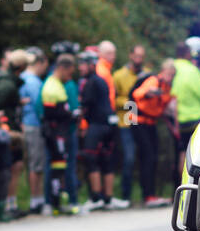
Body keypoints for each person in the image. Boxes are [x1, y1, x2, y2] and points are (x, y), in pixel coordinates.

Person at [77, 50, 127, 210]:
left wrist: (79, 122)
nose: (80, 68)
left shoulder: (90, 82)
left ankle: (96, 197)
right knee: (107, 160)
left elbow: (85, 106)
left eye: (83, 65)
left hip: (97, 125)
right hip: (109, 124)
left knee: (91, 159)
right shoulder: (101, 80)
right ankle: (108, 198)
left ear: (91, 65)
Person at [132, 59, 175, 208]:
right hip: (138, 122)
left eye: (172, 75)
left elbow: (163, 107)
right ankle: (147, 195)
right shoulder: (153, 81)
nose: (170, 78)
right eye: (168, 74)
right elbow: (137, 94)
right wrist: (150, 93)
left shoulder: (167, 87)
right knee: (148, 157)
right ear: (162, 71)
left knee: (153, 157)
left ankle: (151, 194)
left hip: (151, 123)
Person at [41, 54, 79, 214]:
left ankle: (58, 203)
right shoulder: (51, 86)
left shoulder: (57, 84)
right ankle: (55, 203)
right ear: (62, 68)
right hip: (56, 134)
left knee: (60, 166)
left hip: (60, 132)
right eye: (69, 73)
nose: (70, 77)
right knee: (57, 168)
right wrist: (72, 114)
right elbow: (51, 114)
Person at [0, 48, 26, 218]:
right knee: (9, 167)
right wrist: (6, 129)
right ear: (21, 67)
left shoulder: (12, 82)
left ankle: (11, 203)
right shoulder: (7, 84)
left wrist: (18, 103)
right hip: (6, 131)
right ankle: (5, 206)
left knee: (16, 166)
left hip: (13, 127)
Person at [171, 40, 200, 181]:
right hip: (193, 119)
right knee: (191, 154)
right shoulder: (191, 70)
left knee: (179, 153)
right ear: (188, 53)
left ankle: (176, 187)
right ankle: (190, 185)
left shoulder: (171, 68)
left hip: (175, 120)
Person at [113, 44, 146, 204]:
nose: (139, 60)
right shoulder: (119, 75)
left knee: (144, 157)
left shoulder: (146, 75)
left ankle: (143, 194)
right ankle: (125, 194)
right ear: (131, 55)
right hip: (126, 121)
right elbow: (112, 98)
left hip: (142, 122)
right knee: (129, 158)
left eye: (142, 56)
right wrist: (130, 101)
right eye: (137, 56)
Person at [19, 49, 47, 214]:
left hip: (26, 123)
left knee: (32, 162)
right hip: (34, 124)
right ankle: (36, 199)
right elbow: (39, 105)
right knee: (36, 163)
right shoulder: (33, 81)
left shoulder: (22, 78)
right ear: (39, 62)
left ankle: (36, 198)